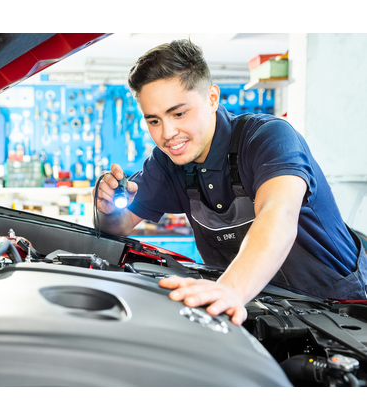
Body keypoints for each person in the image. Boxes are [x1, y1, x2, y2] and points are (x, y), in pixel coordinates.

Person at [93, 39, 367, 326]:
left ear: (212, 98)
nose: (167, 133)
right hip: (258, 311)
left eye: (178, 113)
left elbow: (279, 215)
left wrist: (230, 289)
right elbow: (119, 226)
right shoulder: (167, 162)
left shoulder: (267, 138)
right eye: (154, 121)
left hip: (337, 312)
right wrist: (108, 209)